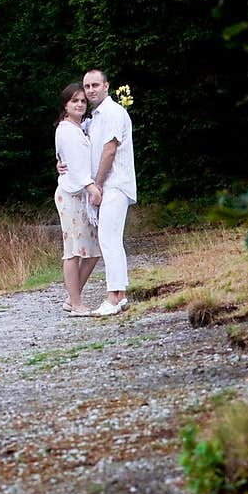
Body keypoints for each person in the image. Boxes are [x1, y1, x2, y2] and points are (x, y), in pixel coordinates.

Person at [81, 68, 136, 317]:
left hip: (114, 183)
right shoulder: (95, 117)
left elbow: (110, 150)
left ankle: (112, 298)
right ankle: (120, 295)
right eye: (87, 86)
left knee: (109, 239)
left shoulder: (113, 112)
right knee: (111, 239)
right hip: (110, 184)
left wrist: (98, 185)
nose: (91, 90)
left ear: (106, 86)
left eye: (95, 85)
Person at [54, 81, 101, 318]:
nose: (80, 104)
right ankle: (76, 303)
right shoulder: (65, 130)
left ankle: (72, 297)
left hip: (82, 195)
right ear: (65, 104)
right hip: (72, 195)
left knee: (92, 251)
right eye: (75, 101)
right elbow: (74, 166)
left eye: (83, 101)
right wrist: (92, 188)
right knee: (73, 251)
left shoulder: (81, 127)